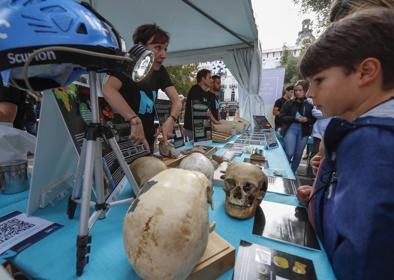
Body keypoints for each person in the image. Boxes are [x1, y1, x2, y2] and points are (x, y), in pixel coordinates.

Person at [299, 8, 394, 279]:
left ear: (365, 72)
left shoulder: (375, 144)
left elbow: (362, 253)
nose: (310, 93)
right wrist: (321, 199)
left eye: (319, 80)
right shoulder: (367, 135)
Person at [297, 0, 394, 202]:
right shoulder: (352, 123)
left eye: (320, 80)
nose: (309, 93)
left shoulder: (376, 139)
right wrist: (323, 193)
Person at [103, 24, 182, 153]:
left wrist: (170, 120)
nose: (163, 55)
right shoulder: (127, 64)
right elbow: (108, 89)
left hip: (148, 141)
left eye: (165, 49)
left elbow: (177, 101)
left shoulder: (160, 71)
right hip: (125, 140)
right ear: (140, 47)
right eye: (158, 47)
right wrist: (134, 120)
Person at [279, 80, 315, 173]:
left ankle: (292, 173)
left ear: (306, 90)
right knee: (289, 152)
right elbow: (281, 116)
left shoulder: (310, 104)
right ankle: (283, 172)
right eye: (296, 90)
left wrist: (307, 119)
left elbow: (314, 119)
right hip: (291, 128)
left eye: (300, 90)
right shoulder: (289, 103)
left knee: (298, 154)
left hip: (304, 130)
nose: (297, 92)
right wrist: (294, 118)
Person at [183, 69, 212, 141]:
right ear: (203, 79)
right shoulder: (195, 90)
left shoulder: (207, 93)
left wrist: (214, 123)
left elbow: (208, 112)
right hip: (192, 130)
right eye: (209, 78)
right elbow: (199, 111)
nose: (212, 80)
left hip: (202, 129)